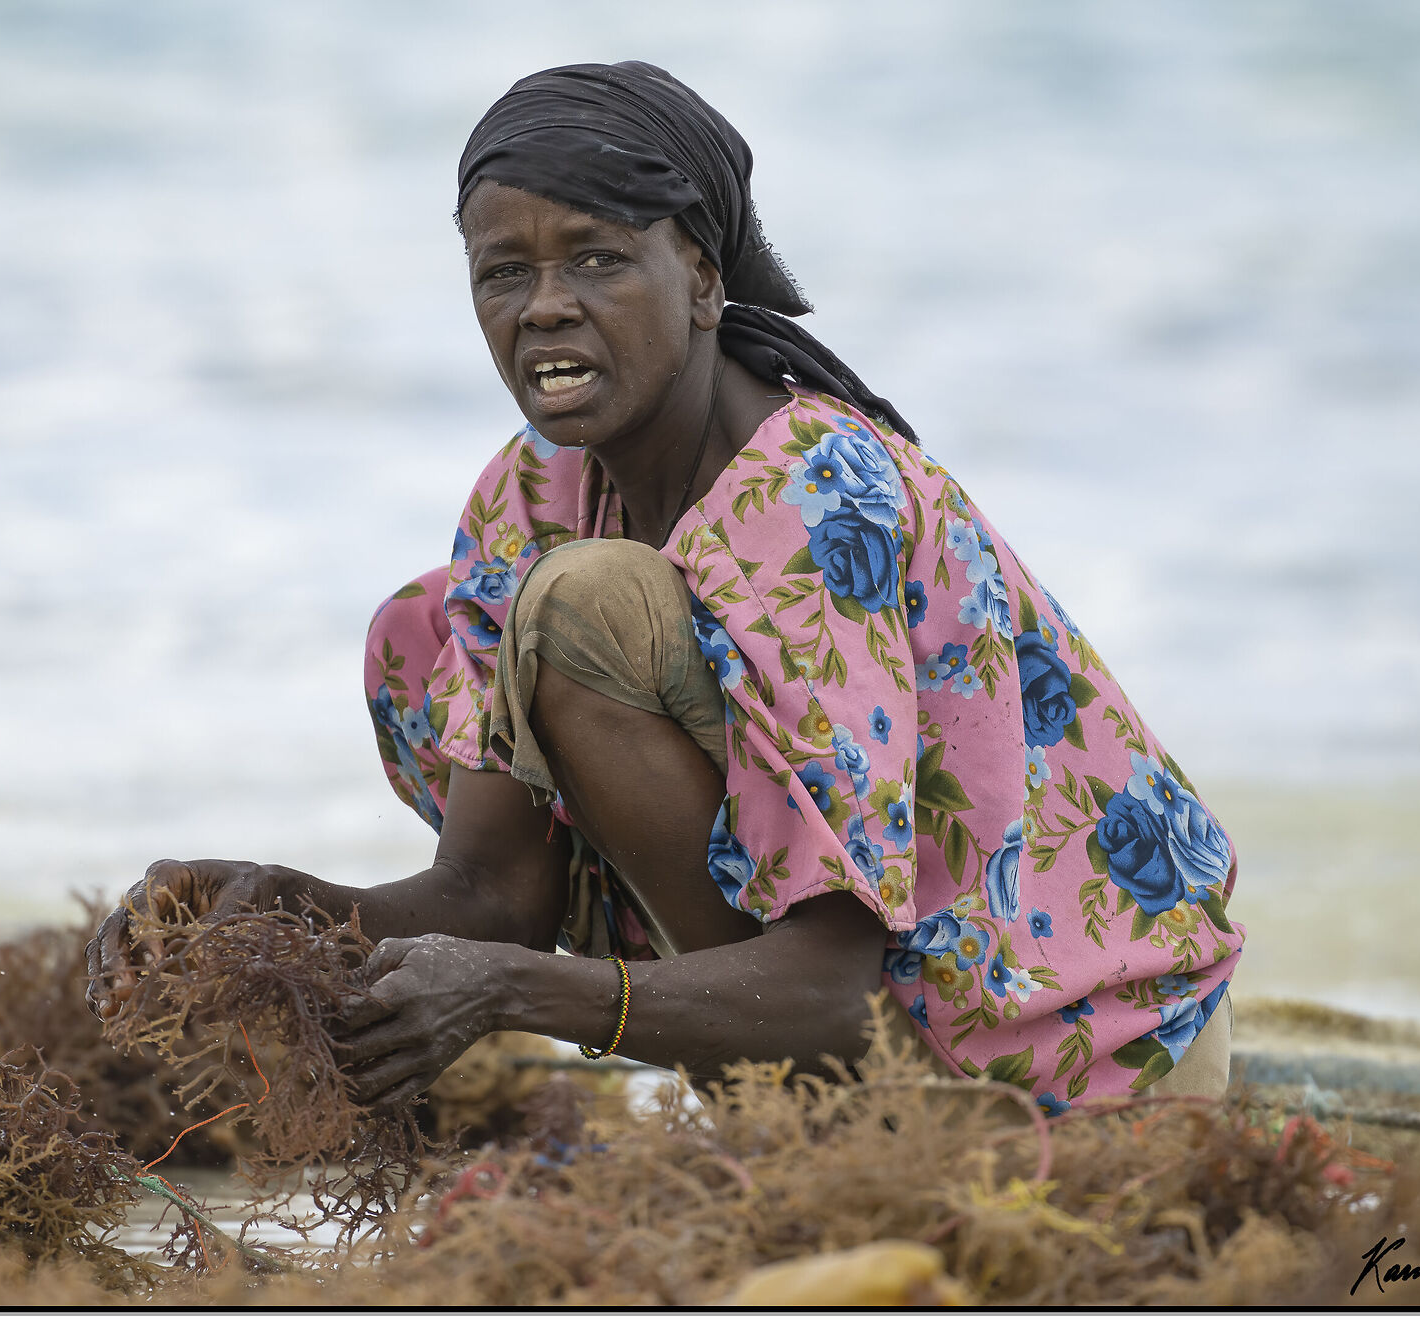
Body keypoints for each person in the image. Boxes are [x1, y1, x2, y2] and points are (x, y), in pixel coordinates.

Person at [87, 61, 1243, 1115]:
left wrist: (513, 992)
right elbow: (494, 895)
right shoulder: (531, 489)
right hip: (863, 1031)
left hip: (1078, 1061)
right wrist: (276, 902)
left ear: (699, 279)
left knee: (581, 604)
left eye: (596, 257)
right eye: (505, 271)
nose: (543, 303)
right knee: (418, 627)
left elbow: (838, 988)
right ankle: (786, 1100)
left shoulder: (814, 495)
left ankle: (799, 1111)